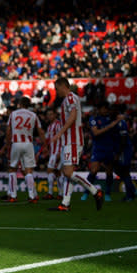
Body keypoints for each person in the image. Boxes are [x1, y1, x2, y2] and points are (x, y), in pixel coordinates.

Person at [49, 77, 103, 212]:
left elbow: (73, 117)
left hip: (73, 140)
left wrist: (59, 133)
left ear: (63, 86)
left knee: (68, 172)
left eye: (57, 89)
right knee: (67, 172)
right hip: (68, 140)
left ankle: (95, 192)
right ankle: (65, 204)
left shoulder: (71, 98)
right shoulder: (67, 100)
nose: (56, 92)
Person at [1, 97, 47, 203]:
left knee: (12, 169)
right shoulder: (33, 115)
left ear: (20, 104)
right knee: (29, 171)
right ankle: (32, 196)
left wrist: (8, 144)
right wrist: (45, 144)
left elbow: (8, 130)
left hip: (16, 143)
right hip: (28, 144)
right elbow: (40, 131)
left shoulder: (13, 114)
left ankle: (13, 195)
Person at [80, 102, 120, 202]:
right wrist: (110, 126)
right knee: (93, 170)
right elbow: (96, 132)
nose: (105, 111)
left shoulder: (111, 118)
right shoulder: (94, 119)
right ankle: (86, 192)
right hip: (98, 148)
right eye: (103, 108)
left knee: (109, 172)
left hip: (110, 148)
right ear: (99, 109)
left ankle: (107, 193)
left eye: (106, 109)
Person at [111, 104, 135, 202]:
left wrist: (118, 153)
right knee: (120, 171)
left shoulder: (121, 123)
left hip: (124, 150)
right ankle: (131, 192)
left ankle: (131, 193)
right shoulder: (116, 121)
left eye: (112, 110)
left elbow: (124, 139)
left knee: (123, 171)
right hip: (121, 149)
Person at [42, 108, 64, 200]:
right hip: (52, 152)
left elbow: (63, 137)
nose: (49, 116)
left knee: (50, 170)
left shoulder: (58, 124)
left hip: (58, 151)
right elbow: (48, 139)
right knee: (57, 172)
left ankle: (51, 193)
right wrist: (45, 149)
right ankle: (60, 194)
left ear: (55, 115)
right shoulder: (50, 126)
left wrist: (60, 151)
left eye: (51, 114)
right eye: (48, 114)